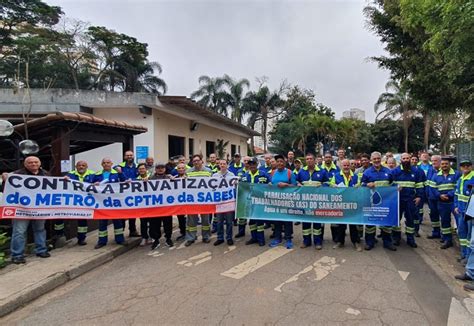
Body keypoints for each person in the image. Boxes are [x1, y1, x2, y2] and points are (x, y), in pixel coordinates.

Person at [6, 156, 50, 264]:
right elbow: (5, 189)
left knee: (40, 230)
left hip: (39, 208)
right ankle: (17, 255)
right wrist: (5, 179)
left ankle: (41, 250)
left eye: (36, 162)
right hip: (22, 209)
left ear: (40, 163)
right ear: (25, 164)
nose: (33, 164)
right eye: (30, 163)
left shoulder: (47, 174)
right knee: (19, 232)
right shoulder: (16, 175)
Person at [361, 151, 396, 251]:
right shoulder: (367, 172)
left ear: (381, 159)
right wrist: (366, 185)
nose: (376, 160)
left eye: (378, 158)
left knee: (386, 223)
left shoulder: (388, 171)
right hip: (371, 202)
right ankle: (369, 242)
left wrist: (397, 188)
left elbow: (393, 184)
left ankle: (387, 242)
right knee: (370, 224)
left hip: (386, 202)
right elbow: (361, 184)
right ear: (371, 160)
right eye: (374, 159)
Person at [55, 160, 95, 246]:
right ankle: (59, 235)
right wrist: (64, 179)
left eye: (83, 165)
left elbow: (98, 183)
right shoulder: (70, 174)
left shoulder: (93, 174)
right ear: (76, 167)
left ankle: (81, 239)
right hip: (71, 201)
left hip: (84, 202)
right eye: (79, 165)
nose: (81, 167)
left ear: (86, 167)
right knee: (59, 216)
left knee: (82, 221)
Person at [92, 157, 127, 249]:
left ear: (111, 164)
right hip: (102, 202)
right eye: (104, 163)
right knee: (102, 222)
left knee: (117, 222)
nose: (106, 164)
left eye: (108, 162)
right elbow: (89, 185)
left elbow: (125, 182)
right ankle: (102, 241)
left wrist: (121, 173)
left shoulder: (117, 173)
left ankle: (120, 239)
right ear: (101, 164)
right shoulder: (97, 174)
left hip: (115, 202)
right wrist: (94, 184)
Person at [296, 153, 329, 250]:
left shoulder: (322, 171)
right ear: (305, 161)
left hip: (317, 202)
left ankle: (318, 242)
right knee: (306, 222)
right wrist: (298, 184)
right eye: (307, 159)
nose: (309, 160)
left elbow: (327, 183)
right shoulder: (302, 172)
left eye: (311, 159)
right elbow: (296, 181)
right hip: (305, 202)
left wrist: (322, 186)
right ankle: (306, 241)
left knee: (317, 222)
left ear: (314, 160)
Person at [391, 153, 425, 248]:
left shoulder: (416, 171)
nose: (406, 160)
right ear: (400, 160)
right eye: (404, 158)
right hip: (398, 200)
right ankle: (396, 238)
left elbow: (419, 185)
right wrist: (395, 188)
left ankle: (410, 239)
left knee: (411, 220)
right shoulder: (395, 171)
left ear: (410, 159)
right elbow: (390, 184)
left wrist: (419, 197)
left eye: (407, 158)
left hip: (411, 200)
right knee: (396, 220)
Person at [330, 159, 362, 251]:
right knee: (341, 225)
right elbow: (331, 185)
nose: (346, 167)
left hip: (352, 204)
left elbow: (359, 185)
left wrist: (357, 186)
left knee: (353, 225)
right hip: (341, 204)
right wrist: (334, 186)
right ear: (341, 166)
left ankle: (355, 242)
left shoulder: (355, 176)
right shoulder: (336, 176)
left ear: (350, 166)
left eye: (348, 165)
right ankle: (340, 242)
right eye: (344, 165)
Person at [269, 154, 297, 249]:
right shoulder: (272, 173)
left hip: (287, 201)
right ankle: (277, 238)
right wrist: (269, 185)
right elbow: (270, 184)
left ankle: (288, 238)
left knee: (287, 220)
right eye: (278, 161)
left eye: (281, 161)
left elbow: (295, 186)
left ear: (284, 163)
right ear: (275, 163)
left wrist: (286, 185)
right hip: (275, 201)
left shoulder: (289, 173)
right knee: (277, 220)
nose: (280, 163)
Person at [242, 157, 271, 246]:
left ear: (257, 164)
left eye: (254, 164)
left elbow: (270, 183)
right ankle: (254, 238)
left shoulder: (263, 174)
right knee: (251, 222)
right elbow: (241, 187)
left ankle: (261, 239)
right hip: (249, 202)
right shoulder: (245, 175)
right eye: (250, 164)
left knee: (260, 222)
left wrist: (270, 184)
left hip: (260, 202)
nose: (252, 166)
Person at [185, 154, 213, 247]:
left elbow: (214, 184)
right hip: (192, 200)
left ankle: (206, 236)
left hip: (205, 199)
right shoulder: (188, 172)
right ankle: (191, 238)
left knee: (205, 220)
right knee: (191, 221)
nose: (196, 162)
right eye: (194, 161)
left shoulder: (209, 171)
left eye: (198, 160)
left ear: (202, 161)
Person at [432, 158, 460, 249]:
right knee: (445, 221)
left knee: (459, 220)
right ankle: (448, 240)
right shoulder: (436, 175)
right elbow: (433, 188)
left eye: (446, 164)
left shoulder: (456, 174)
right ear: (440, 165)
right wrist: (439, 196)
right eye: (443, 164)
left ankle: (462, 241)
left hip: (453, 202)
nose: (444, 165)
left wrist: (448, 194)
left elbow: (458, 187)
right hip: (441, 202)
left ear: (450, 164)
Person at [115, 150, 140, 238]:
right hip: (123, 194)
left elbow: (141, 177)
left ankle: (133, 231)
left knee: (133, 213)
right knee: (122, 213)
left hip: (134, 193)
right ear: (124, 157)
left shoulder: (137, 166)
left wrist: (133, 181)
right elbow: (116, 176)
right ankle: (120, 233)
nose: (129, 157)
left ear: (133, 156)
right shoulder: (118, 167)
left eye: (131, 155)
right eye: (127, 155)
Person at [149, 162, 174, 249]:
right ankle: (156, 240)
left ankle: (168, 238)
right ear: (155, 169)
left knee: (168, 223)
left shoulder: (169, 178)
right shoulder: (150, 179)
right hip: (155, 206)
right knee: (155, 224)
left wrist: (175, 180)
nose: (160, 169)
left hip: (167, 206)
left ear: (165, 169)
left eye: (162, 167)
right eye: (158, 168)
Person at [454, 159, 474, 265]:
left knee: (470, 236)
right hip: (461, 211)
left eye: (468, 165)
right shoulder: (460, 178)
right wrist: (456, 206)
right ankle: (464, 254)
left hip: (471, 213)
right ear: (460, 167)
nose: (465, 167)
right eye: (463, 166)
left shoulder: (473, 177)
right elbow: (456, 194)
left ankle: (469, 258)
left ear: (471, 166)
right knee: (462, 234)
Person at [213, 159, 236, 246]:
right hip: (219, 202)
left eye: (224, 164)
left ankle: (229, 238)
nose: (222, 165)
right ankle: (220, 238)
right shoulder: (215, 175)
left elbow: (234, 187)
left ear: (227, 165)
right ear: (219, 165)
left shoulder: (232, 175)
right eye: (220, 164)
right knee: (219, 222)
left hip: (229, 202)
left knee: (229, 222)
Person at [321, 152, 340, 242]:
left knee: (334, 217)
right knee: (321, 217)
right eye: (326, 157)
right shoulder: (319, 168)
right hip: (322, 197)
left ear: (332, 159)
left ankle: (335, 238)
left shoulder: (337, 169)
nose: (328, 159)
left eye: (329, 157)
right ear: (324, 159)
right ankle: (320, 238)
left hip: (334, 198)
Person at [426, 155, 442, 239]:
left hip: (441, 198)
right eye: (432, 161)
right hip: (431, 198)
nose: (433, 162)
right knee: (433, 215)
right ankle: (436, 232)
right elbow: (428, 184)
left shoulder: (443, 171)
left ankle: (444, 235)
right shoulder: (430, 170)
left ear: (440, 161)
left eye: (435, 160)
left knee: (443, 217)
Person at [137, 163, 152, 246]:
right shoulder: (136, 179)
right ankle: (144, 237)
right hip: (142, 204)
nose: (141, 170)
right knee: (143, 222)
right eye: (140, 169)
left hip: (151, 204)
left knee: (151, 222)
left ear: (146, 169)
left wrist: (149, 180)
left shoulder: (152, 177)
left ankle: (151, 236)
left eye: (143, 168)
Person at [172, 163, 188, 241]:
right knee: (180, 218)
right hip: (178, 202)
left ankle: (191, 234)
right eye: (179, 168)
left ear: (185, 169)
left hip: (188, 202)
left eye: (182, 168)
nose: (181, 169)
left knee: (189, 219)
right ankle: (183, 233)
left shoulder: (190, 177)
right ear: (177, 170)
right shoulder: (174, 178)